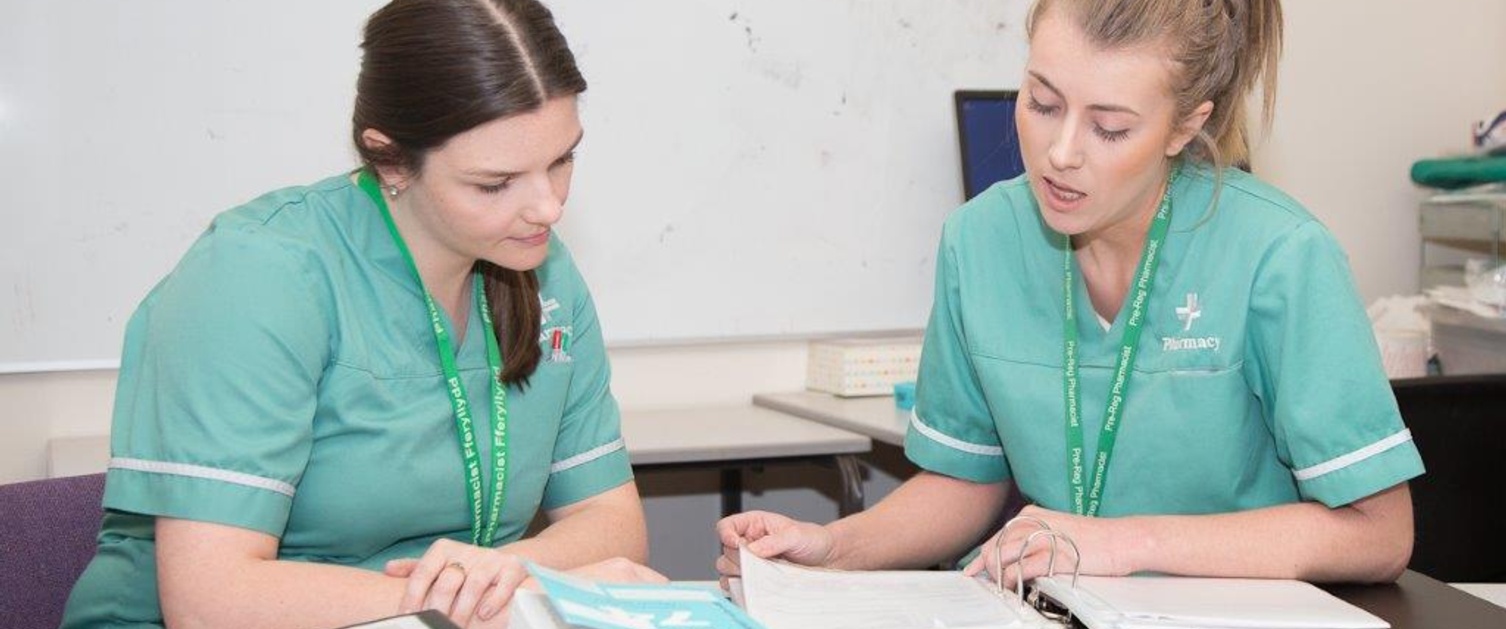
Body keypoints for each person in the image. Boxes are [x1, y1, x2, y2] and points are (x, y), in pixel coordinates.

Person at [719, 0, 1423, 589]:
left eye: (1110, 127)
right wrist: (832, 548)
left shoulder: (1279, 256)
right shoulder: (981, 240)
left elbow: (1380, 534)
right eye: (1042, 102)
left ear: (1186, 124)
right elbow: (964, 481)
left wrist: (1124, 542)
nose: (1061, 151)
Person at [61, 1, 662, 627]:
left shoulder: (539, 271)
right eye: (495, 183)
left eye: (563, 159)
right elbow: (212, 601)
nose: (548, 207)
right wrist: (505, 600)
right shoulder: (256, 276)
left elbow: (613, 527)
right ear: (390, 158)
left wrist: (514, 571)